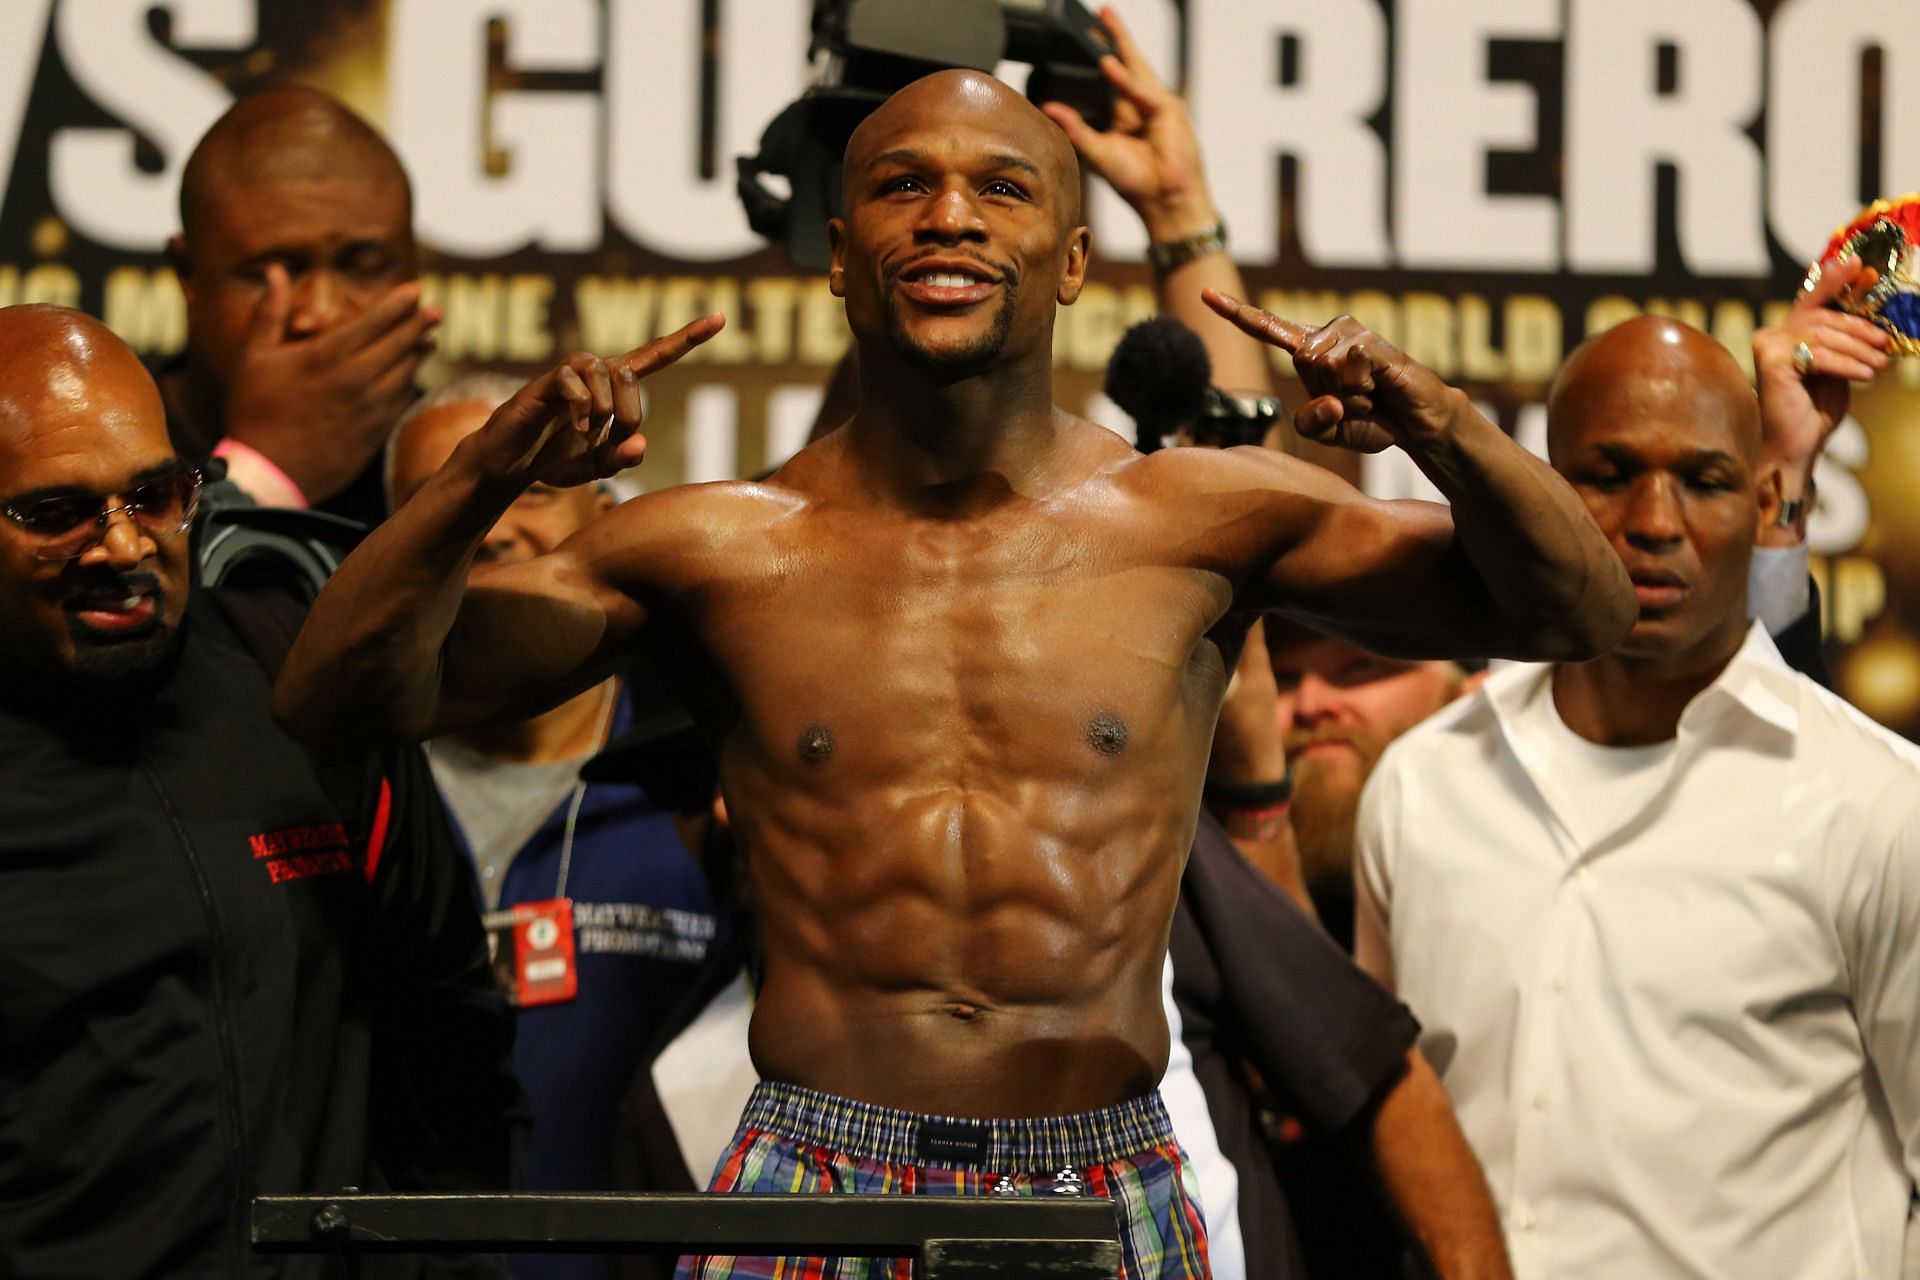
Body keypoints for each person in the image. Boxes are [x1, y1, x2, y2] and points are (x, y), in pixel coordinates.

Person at [273, 65, 1632, 1280]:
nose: (949, 218)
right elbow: (333, 699)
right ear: (839, 254)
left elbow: (1578, 607)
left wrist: (1445, 425)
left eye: (1001, 187)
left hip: (1099, 1168)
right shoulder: (711, 548)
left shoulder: (1205, 518)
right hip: (815, 1166)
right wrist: (482, 474)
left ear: (1075, 256)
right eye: (901, 187)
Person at [1353, 310, 1920, 1279]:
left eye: (1703, 480)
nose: (1655, 522)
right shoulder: (1422, 782)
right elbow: (1386, 1120)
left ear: (1768, 494)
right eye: (1609, 474)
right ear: (1536, 489)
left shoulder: (1877, 803)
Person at [0, 304, 518, 1279]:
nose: (123, 546)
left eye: (154, 494)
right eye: (57, 511)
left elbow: (456, 1035)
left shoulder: (299, 690)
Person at [386, 377, 727, 1280]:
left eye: (530, 491)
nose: (492, 527)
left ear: (607, 520)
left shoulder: (706, 783)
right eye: (445, 499)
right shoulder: (346, 792)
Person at [162, 85, 439, 525]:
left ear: (413, 267)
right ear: (187, 273)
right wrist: (260, 472)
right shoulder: (100, 450)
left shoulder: (458, 461)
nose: (318, 314)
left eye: (364, 266)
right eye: (275, 270)